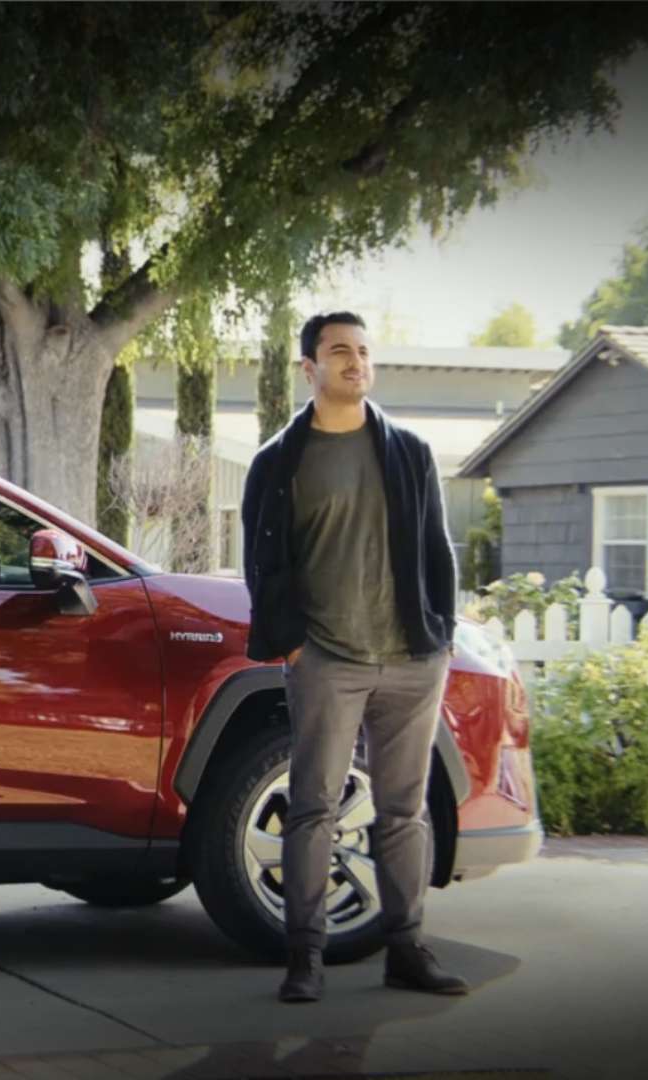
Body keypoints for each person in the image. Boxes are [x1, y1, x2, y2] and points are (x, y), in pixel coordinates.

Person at [239, 311, 471, 1004]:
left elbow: (438, 550)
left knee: (404, 810)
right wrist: (294, 647)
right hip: (327, 661)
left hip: (411, 660)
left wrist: (441, 636)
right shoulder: (278, 462)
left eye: (364, 351)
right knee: (314, 807)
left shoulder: (410, 452)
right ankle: (305, 957)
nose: (356, 362)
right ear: (309, 368)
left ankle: (406, 949)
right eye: (340, 351)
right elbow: (263, 566)